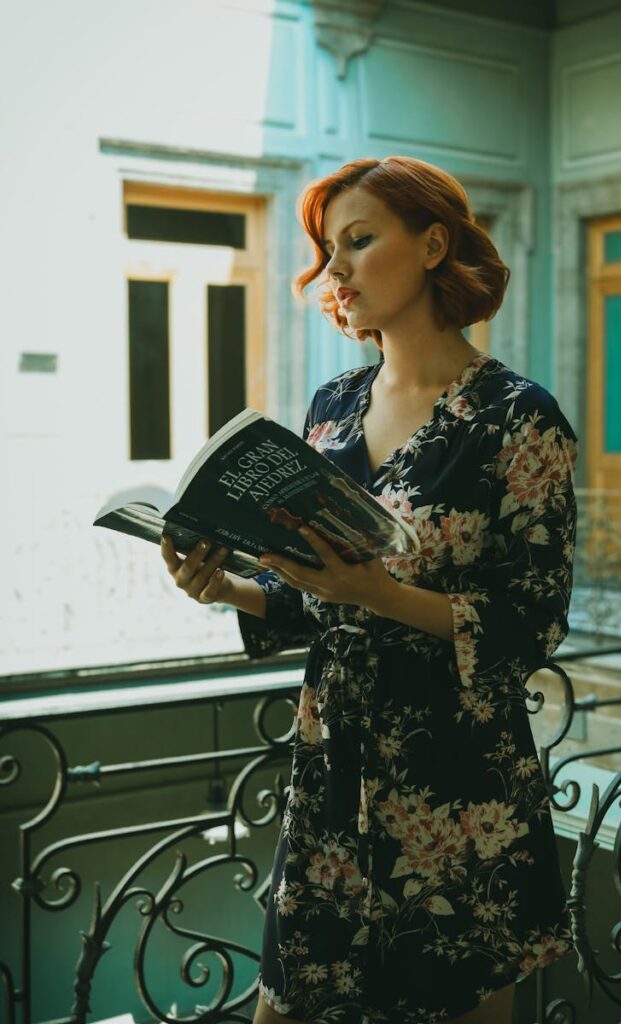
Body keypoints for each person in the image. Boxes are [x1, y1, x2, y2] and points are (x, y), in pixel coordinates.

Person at [161, 155, 579, 1024]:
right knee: (284, 1004)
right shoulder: (332, 408)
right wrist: (226, 587)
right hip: (333, 762)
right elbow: (321, 600)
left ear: (432, 244)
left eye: (356, 241)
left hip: (458, 784)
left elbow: (533, 626)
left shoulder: (516, 417)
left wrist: (379, 595)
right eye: (325, 249)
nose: (332, 269)